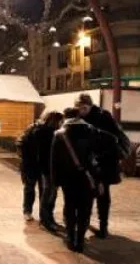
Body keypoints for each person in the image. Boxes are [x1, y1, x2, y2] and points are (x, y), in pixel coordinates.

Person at [51, 108, 117, 252]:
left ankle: (70, 239)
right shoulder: (91, 131)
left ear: (65, 118)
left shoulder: (59, 135)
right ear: (79, 116)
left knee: (70, 207)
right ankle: (80, 240)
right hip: (88, 178)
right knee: (85, 209)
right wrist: (97, 157)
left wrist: (56, 180)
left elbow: (54, 161)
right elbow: (113, 139)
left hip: (68, 179)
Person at [75, 93, 124, 238]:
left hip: (104, 162)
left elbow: (113, 139)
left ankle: (103, 226)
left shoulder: (103, 116)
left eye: (84, 108)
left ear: (90, 105)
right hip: (87, 163)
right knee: (87, 195)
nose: (81, 111)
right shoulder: (79, 118)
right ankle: (86, 222)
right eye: (79, 108)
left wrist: (99, 153)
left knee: (103, 195)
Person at [17, 111, 64, 231]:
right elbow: (21, 144)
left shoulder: (38, 129)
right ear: (53, 120)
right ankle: (31, 212)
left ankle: (36, 214)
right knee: (35, 189)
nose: (61, 124)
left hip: (34, 166)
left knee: (37, 190)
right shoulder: (41, 131)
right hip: (36, 166)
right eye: (59, 121)